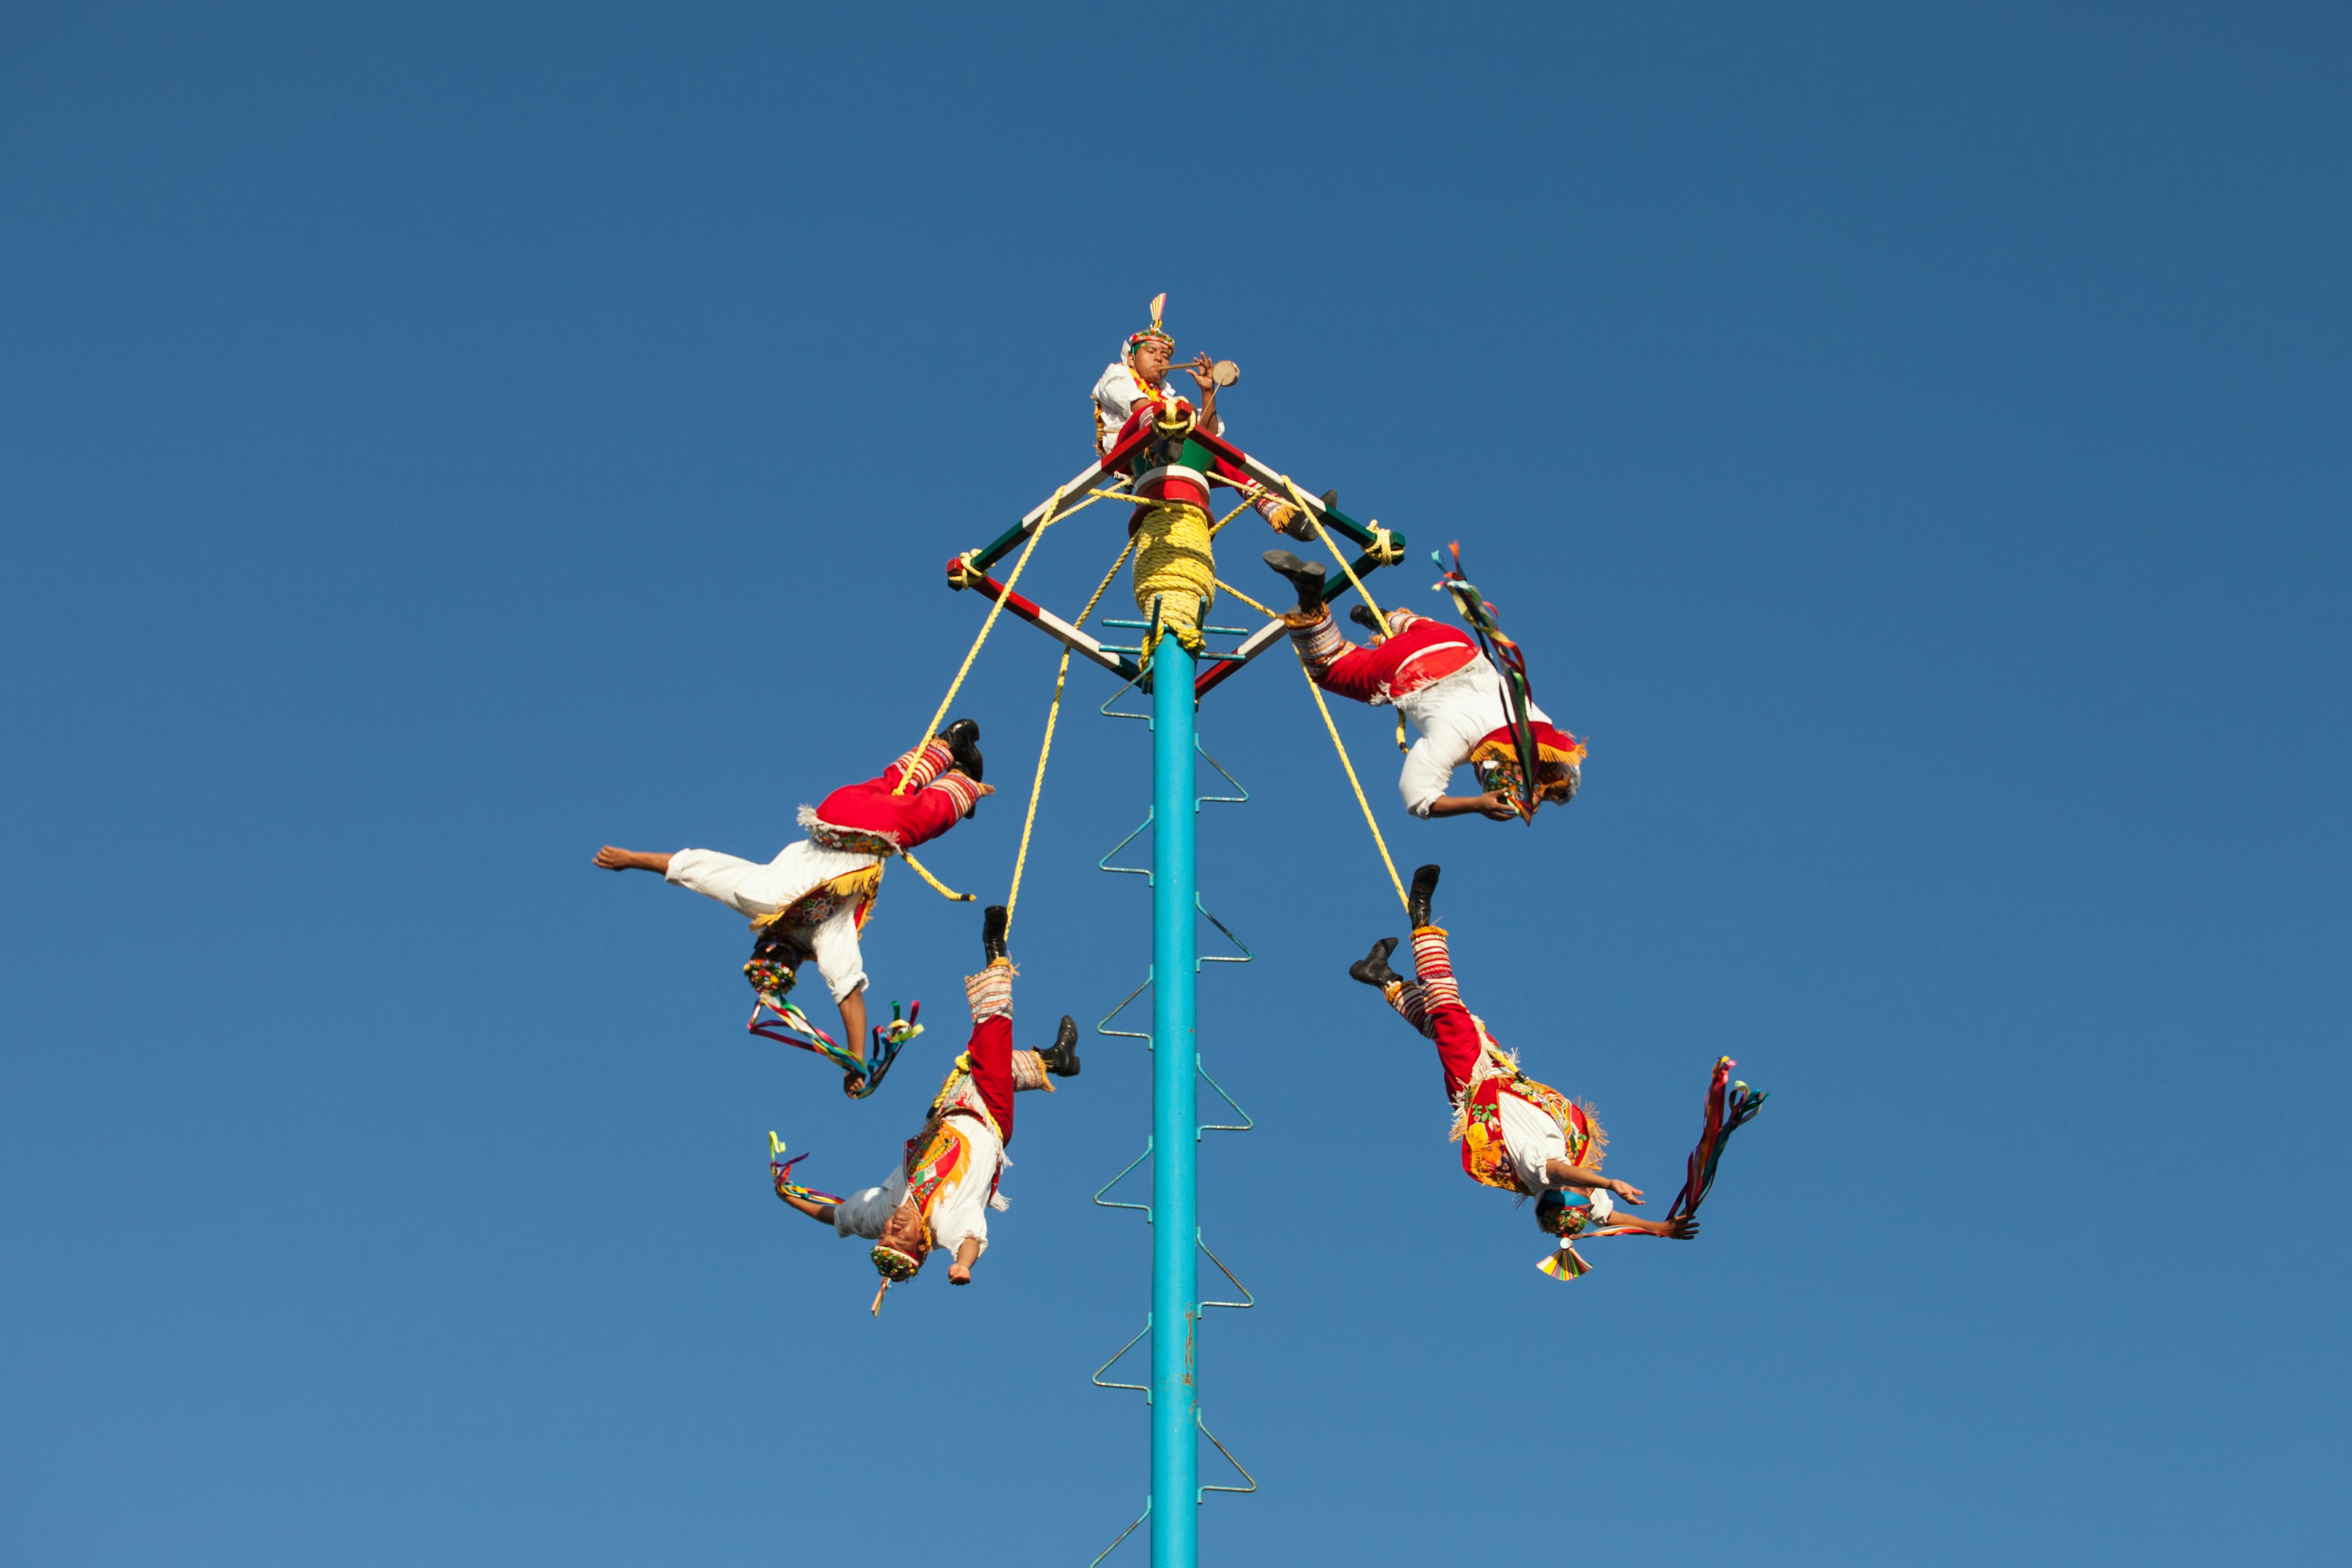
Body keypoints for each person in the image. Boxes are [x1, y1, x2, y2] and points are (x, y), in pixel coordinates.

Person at [593, 723, 992, 1088]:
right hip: (834, 809)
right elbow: (697, 867)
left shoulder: (822, 934)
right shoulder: (756, 897)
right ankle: (947, 744)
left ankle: (966, 782)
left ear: (798, 964)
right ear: (764, 940)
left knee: (927, 816)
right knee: (895, 782)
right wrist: (630, 858)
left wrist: (855, 1061)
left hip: (876, 833)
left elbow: (849, 994)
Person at [1350, 864, 1695, 1275]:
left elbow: (1561, 1171)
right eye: (1592, 1198)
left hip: (1474, 1086)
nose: (1593, 1196)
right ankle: (1382, 977)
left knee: (1448, 1012)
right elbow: (1609, 1219)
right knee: (1449, 1022)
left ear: (1564, 1191)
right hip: (1498, 1074)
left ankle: (1421, 921)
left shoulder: (1541, 1169)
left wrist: (1611, 1182)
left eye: (1584, 1194)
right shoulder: (1579, 1191)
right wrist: (1660, 1229)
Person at [770, 905, 1081, 1313]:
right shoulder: (947, 1222)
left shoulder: (884, 1210)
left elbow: (838, 1216)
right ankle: (996, 952)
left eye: (886, 1237)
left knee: (988, 1064)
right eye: (901, 1239)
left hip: (950, 1107)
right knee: (990, 1040)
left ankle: (1058, 1061)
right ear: (921, 1243)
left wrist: (787, 1194)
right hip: (988, 1117)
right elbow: (971, 1241)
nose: (893, 1230)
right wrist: (962, 1265)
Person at [1261, 551, 1586, 821]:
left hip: (1450, 642)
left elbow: (1545, 759)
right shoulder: (1459, 741)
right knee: (1330, 668)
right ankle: (1310, 602)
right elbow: (1419, 798)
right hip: (1408, 669)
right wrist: (1479, 803)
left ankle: (1383, 618)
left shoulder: (1534, 718)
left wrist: (1535, 790)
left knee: (1419, 626)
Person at [1091, 292, 1310, 538]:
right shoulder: (1117, 374)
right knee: (1158, 412)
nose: (1159, 358)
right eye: (1151, 351)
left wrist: (1208, 392)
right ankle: (1162, 441)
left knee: (1222, 451)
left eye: (1165, 355)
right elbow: (1139, 406)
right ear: (1131, 358)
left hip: (1175, 457)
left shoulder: (1170, 398)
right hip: (1132, 454)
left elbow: (1208, 435)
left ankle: (1283, 513)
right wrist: (1167, 422)